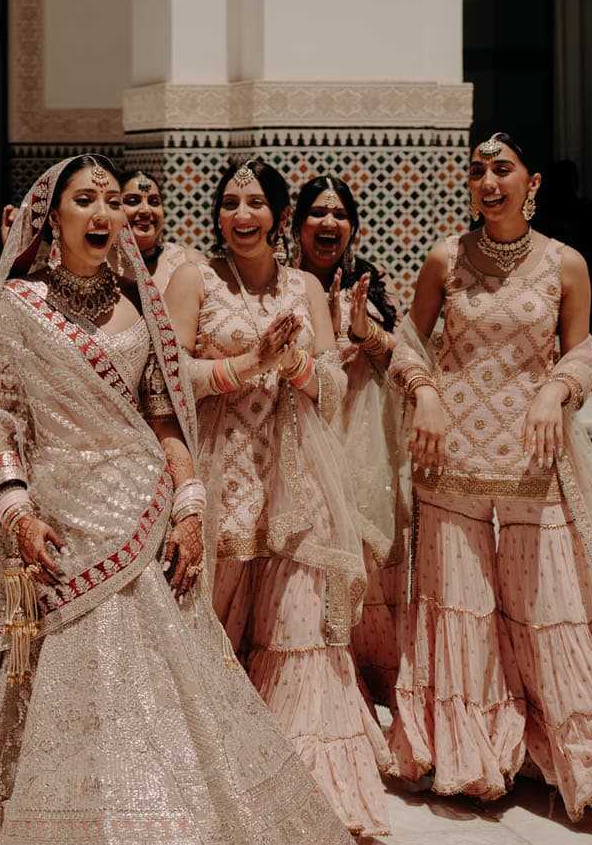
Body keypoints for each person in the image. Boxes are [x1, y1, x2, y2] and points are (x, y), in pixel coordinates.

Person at [0, 154, 349, 845]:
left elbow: (164, 419)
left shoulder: (140, 305)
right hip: (53, 528)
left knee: (167, 701)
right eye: (85, 199)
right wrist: (19, 513)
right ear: (51, 217)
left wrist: (189, 507)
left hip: (141, 519)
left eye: (111, 200)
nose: (104, 212)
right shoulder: (16, 305)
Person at [386, 132, 592, 822]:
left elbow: (582, 355)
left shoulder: (565, 263)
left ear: (532, 182)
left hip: (533, 460)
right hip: (447, 459)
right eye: (479, 169)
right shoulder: (445, 258)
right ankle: (473, 752)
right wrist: (422, 388)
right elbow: (405, 338)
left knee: (551, 617)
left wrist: (555, 391)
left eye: (502, 168)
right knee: (461, 611)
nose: (488, 180)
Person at [166, 158, 390, 836]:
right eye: (231, 201)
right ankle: (224, 782)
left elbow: (333, 386)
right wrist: (247, 364)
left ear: (278, 215)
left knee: (300, 642)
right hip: (221, 477)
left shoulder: (303, 288)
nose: (242, 214)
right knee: (210, 637)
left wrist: (293, 363)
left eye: (255, 202)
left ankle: (309, 792)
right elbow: (170, 377)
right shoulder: (193, 278)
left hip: (295, 488)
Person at [292, 174, 405, 709]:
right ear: (296, 227)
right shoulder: (284, 284)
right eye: (317, 213)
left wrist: (362, 331)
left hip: (361, 445)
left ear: (353, 227)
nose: (329, 222)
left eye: (339, 214)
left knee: (364, 558)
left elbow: (397, 362)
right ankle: (322, 681)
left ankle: (365, 674)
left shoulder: (366, 282)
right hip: (303, 441)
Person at [117, 167, 204, 290]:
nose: (146, 210)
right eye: (133, 201)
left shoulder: (187, 261)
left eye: (154, 202)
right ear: (114, 207)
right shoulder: (98, 264)